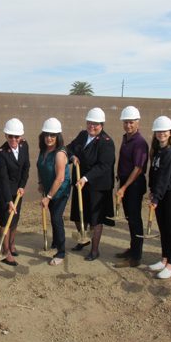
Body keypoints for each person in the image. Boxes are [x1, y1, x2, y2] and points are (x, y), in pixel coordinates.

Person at [67, 107, 116, 261]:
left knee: (95, 219)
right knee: (78, 215)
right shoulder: (82, 135)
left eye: (96, 124)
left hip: (97, 186)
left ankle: (94, 250)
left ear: (101, 125)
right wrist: (73, 156)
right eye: (89, 123)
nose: (92, 127)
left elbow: (104, 165)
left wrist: (86, 178)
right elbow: (68, 148)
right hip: (80, 184)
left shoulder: (106, 142)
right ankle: (83, 238)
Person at [147, 116, 171, 279]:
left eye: (164, 131)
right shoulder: (157, 151)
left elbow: (165, 177)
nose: (161, 133)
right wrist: (152, 190)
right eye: (158, 131)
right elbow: (154, 173)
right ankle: (164, 260)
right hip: (161, 193)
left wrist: (156, 197)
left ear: (170, 133)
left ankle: (170, 265)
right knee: (163, 227)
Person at [114, 106, 149, 268]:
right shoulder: (126, 139)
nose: (128, 125)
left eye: (131, 122)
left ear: (137, 123)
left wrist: (124, 187)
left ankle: (136, 257)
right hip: (126, 183)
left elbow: (138, 168)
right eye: (126, 122)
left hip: (134, 185)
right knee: (130, 218)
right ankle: (133, 248)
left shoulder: (140, 142)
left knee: (135, 220)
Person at [0, 118, 30, 266]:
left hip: (17, 188)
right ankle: (5, 251)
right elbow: (3, 178)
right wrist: (9, 200)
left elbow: (26, 166)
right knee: (5, 220)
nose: (14, 139)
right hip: (3, 189)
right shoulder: (1, 152)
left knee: (15, 217)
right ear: (5, 135)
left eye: (17, 136)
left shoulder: (24, 145)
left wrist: (22, 186)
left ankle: (12, 244)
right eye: (10, 136)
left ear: (21, 136)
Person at [37, 118, 71, 266]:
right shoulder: (44, 150)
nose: (49, 138)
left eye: (53, 135)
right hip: (48, 189)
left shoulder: (59, 154)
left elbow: (60, 178)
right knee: (53, 218)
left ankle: (61, 252)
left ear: (58, 136)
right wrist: (40, 183)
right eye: (46, 134)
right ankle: (56, 242)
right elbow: (40, 167)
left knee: (57, 219)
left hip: (60, 191)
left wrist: (49, 197)